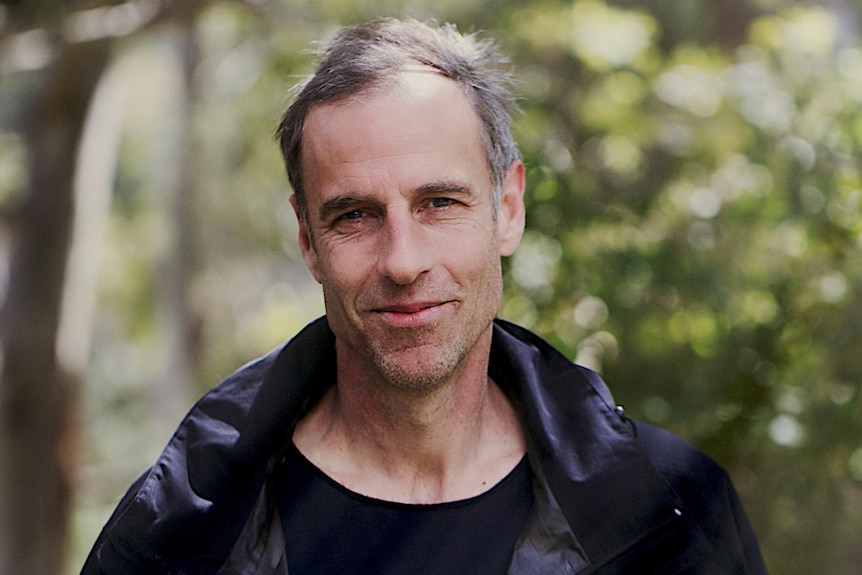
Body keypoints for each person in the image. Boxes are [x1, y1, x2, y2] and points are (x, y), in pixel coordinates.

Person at [82, 17, 767, 575]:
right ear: (307, 239)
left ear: (508, 206)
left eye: (439, 202)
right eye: (354, 215)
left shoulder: (676, 518)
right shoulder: (176, 536)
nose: (403, 261)